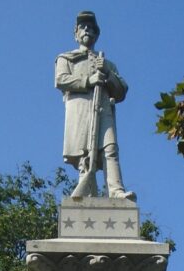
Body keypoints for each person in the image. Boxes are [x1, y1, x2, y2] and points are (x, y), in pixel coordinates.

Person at [55, 11, 136, 200]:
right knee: (85, 154)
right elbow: (60, 80)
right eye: (83, 27)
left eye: (91, 28)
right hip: (80, 110)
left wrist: (107, 73)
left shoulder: (108, 64)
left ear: (97, 34)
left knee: (110, 148)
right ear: (76, 33)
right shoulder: (66, 58)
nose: (87, 31)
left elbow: (121, 91)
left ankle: (115, 190)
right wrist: (88, 80)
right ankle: (87, 191)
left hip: (103, 109)